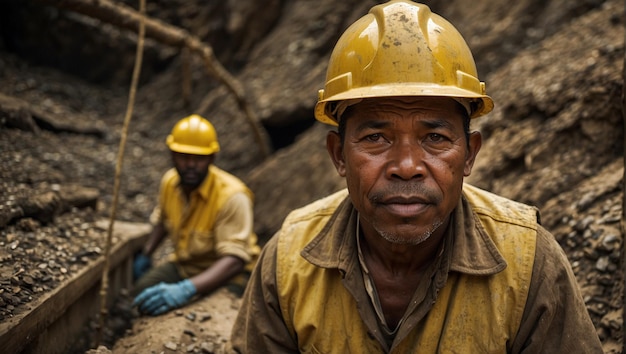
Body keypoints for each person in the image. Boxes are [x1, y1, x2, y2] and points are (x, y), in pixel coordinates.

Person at [231, 1, 604, 353]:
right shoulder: (288, 263)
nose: (407, 166)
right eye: (376, 138)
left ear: (470, 153)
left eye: (435, 138)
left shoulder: (529, 262)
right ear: (338, 155)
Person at [131, 114, 260, 316]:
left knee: (203, 315)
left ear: (212, 158)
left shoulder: (233, 197)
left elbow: (235, 259)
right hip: (186, 266)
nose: (191, 164)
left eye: (199, 158)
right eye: (183, 157)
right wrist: (146, 254)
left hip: (231, 275)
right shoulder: (169, 183)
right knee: (141, 294)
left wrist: (186, 289)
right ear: (172, 155)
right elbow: (163, 221)